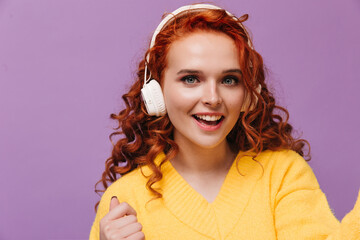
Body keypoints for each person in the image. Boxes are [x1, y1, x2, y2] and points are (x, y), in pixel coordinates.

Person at [90, 4, 360, 239]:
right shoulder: (124, 201)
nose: (213, 98)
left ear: (249, 95)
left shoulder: (283, 174)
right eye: (191, 79)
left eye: (229, 80)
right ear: (156, 93)